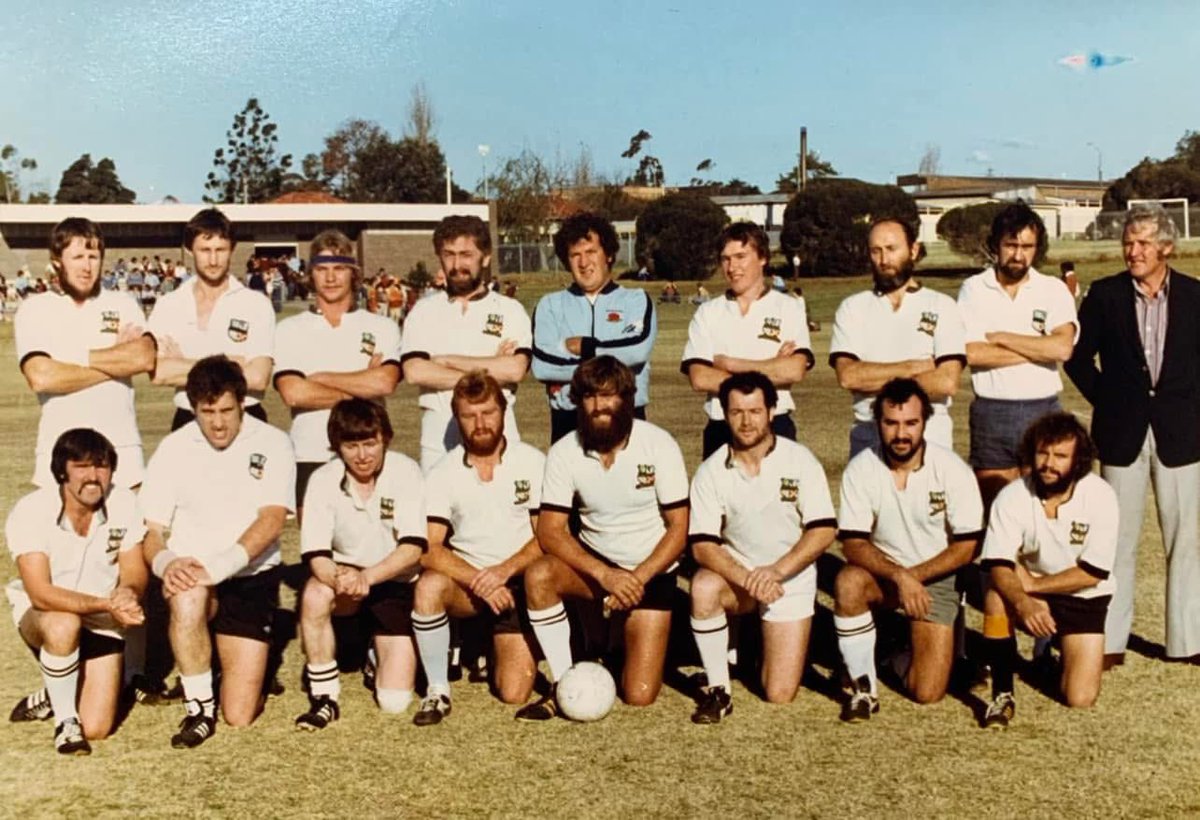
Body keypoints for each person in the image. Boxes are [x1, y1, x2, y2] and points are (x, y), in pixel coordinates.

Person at [1064, 203, 1200, 668]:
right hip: (1121, 435)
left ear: (1166, 246)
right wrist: (1109, 400)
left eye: (1143, 243)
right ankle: (1110, 642)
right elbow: (1079, 360)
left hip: (1181, 437)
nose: (1133, 251)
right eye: (1128, 242)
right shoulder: (1103, 295)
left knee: (1186, 540)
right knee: (1115, 540)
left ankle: (1186, 642)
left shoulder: (1195, 297)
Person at [519, 356, 689, 719]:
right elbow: (550, 531)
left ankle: (621, 639)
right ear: (578, 402)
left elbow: (679, 528)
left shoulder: (659, 444)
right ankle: (564, 679)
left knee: (639, 694)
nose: (600, 407)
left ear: (628, 399)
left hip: (650, 572)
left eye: (610, 396)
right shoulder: (566, 450)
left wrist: (636, 579)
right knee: (540, 574)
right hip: (597, 570)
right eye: (590, 397)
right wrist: (607, 575)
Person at [140, 356, 295, 748]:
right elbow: (152, 532)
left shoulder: (273, 442)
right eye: (207, 412)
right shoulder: (174, 447)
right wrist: (167, 563)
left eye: (227, 410)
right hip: (197, 578)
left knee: (240, 716)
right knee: (187, 596)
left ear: (242, 402)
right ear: (193, 408)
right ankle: (198, 708)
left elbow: (272, 519)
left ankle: (237, 666)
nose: (219, 422)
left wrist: (221, 566)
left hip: (250, 578)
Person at [687, 372, 836, 723]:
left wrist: (776, 572)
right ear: (724, 413)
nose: (746, 421)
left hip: (789, 577)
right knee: (704, 587)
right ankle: (719, 690)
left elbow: (823, 530)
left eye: (755, 411)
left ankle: (752, 648)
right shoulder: (711, 471)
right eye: (736, 411)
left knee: (779, 693)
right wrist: (748, 576)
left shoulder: (801, 461)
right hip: (739, 577)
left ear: (772, 411)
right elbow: (703, 546)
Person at [833, 378, 983, 722]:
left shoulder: (951, 469)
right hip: (884, 573)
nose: (901, 434)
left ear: (925, 423)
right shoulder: (861, 468)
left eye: (911, 423)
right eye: (891, 423)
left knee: (927, 693)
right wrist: (899, 577)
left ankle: (888, 646)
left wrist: (914, 577)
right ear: (878, 423)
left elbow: (966, 547)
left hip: (935, 576)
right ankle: (863, 688)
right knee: (848, 583)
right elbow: (854, 543)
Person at [411, 372, 545, 725]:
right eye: (469, 416)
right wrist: (480, 580)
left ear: (503, 412)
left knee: (514, 692)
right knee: (428, 586)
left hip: (516, 584)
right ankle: (437, 690)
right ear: (457, 419)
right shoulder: (442, 472)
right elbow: (429, 547)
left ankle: (489, 646)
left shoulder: (531, 461)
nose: (480, 423)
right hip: (469, 587)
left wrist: (503, 573)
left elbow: (546, 537)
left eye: (488, 412)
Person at [5, 429, 147, 755]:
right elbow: (40, 593)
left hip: (102, 618)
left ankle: (51, 695)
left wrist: (128, 592)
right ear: (61, 471)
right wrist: (106, 603)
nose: (93, 477)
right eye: (81, 467)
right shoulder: (31, 510)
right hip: (44, 613)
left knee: (96, 727)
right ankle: (66, 723)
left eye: (102, 466)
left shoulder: (124, 502)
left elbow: (134, 569)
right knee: (63, 624)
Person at [294, 399, 426, 729]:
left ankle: (373, 653)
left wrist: (367, 576)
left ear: (386, 439)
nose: (362, 455)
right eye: (351, 445)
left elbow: (413, 548)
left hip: (393, 582)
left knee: (394, 702)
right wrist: (340, 578)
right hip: (346, 582)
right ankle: (325, 697)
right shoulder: (323, 479)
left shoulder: (406, 471)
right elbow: (316, 554)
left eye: (370, 443)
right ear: (337, 446)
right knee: (313, 595)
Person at [978, 413, 1116, 727]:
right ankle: (1002, 693)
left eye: (1060, 456)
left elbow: (1092, 572)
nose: (1049, 464)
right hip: (1029, 592)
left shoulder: (1101, 496)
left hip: (1083, 595)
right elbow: (998, 564)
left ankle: (1052, 659)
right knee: (997, 596)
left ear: (1079, 460)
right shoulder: (1013, 496)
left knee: (1080, 698)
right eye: (1043, 453)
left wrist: (1034, 588)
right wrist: (1023, 601)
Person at [15, 218, 155, 490]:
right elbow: (41, 377)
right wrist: (117, 359)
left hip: (121, 447)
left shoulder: (122, 303)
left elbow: (143, 358)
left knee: (127, 531)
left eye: (94, 256)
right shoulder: (36, 309)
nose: (87, 266)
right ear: (57, 261)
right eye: (77, 256)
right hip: (59, 448)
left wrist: (67, 358)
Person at [957, 203, 1077, 508]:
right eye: (1011, 245)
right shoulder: (973, 289)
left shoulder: (1053, 289)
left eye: (1027, 246)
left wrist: (1003, 338)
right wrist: (1039, 347)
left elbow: (1063, 348)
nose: (1019, 255)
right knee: (996, 511)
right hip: (991, 412)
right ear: (996, 245)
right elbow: (971, 352)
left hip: (1043, 410)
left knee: (1044, 508)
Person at [273, 230, 401, 518]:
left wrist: (318, 377)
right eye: (322, 269)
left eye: (339, 268)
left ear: (353, 273)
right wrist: (360, 391)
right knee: (317, 555)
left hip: (368, 452)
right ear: (310, 274)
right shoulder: (290, 329)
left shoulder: (381, 326)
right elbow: (294, 393)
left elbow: (385, 381)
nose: (330, 278)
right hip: (310, 453)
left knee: (374, 548)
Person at [401, 215, 531, 471]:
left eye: (466, 254)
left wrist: (447, 361)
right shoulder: (423, 311)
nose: (457, 264)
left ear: (485, 257)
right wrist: (491, 369)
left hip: (499, 433)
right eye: (449, 254)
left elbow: (515, 370)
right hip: (439, 436)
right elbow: (415, 372)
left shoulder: (510, 310)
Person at [830, 216, 966, 457]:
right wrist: (915, 366)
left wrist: (873, 376)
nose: (884, 260)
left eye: (892, 249)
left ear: (913, 250)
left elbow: (946, 382)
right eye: (876, 251)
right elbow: (849, 377)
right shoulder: (852, 308)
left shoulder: (942, 305)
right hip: (869, 438)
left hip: (931, 439)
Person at [682, 222, 814, 458]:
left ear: (762, 257)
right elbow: (700, 378)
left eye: (741, 256)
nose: (732, 267)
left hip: (776, 425)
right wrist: (770, 367)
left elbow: (794, 370)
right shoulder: (708, 312)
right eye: (726, 259)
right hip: (721, 428)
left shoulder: (789, 307)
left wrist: (729, 363)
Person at [532, 211, 657, 442]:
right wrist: (615, 368)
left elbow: (636, 351)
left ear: (608, 254)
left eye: (591, 252)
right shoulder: (550, 305)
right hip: (568, 421)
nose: (583, 262)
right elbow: (542, 365)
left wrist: (585, 348)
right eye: (575, 255)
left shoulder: (636, 300)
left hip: (626, 417)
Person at [148, 207, 275, 430]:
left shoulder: (256, 304)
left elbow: (257, 377)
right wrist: (233, 364)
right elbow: (159, 373)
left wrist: (183, 364)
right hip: (188, 419)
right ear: (189, 250)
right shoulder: (169, 304)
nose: (214, 260)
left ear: (232, 249)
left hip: (246, 419)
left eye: (221, 250)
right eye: (205, 250)